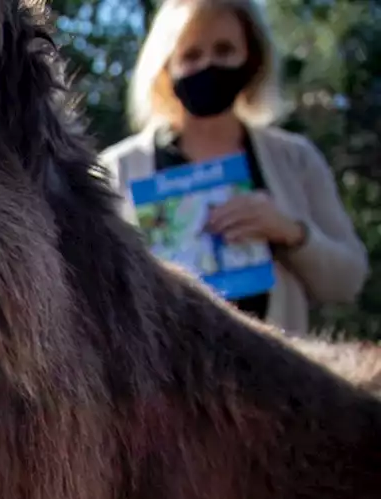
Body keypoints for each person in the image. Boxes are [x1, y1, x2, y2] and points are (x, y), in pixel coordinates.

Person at [99, 0, 369, 334]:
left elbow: (347, 282)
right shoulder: (115, 171)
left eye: (224, 50)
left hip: (278, 379)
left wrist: (290, 232)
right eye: (191, 56)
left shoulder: (296, 159)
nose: (208, 65)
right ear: (165, 68)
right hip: (164, 382)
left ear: (253, 59)